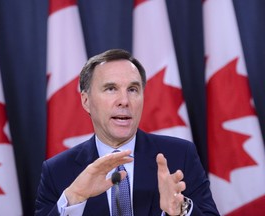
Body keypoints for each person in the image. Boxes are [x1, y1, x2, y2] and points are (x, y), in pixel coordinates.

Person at [35, 49, 220, 216]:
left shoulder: (180, 155)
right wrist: (75, 197)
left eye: (132, 89)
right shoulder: (57, 171)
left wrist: (181, 210)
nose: (124, 101)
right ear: (86, 101)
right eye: (111, 89)